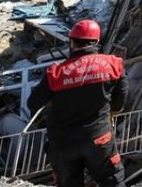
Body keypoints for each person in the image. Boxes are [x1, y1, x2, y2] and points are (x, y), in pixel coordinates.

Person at [27, 20, 126, 187]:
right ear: (96, 42)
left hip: (62, 143)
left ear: (72, 42)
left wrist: (44, 120)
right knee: (112, 182)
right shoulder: (113, 65)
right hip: (99, 138)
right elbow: (120, 100)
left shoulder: (56, 73)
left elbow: (33, 103)